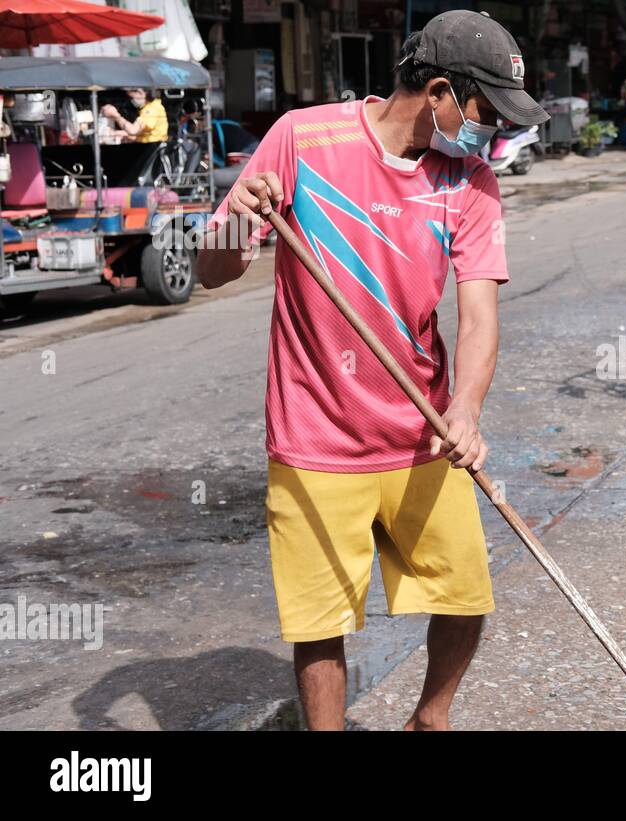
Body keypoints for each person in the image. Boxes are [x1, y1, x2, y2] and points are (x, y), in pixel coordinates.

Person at [195, 10, 547, 731]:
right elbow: (211, 269)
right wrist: (241, 219)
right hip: (315, 437)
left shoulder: (470, 180)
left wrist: (468, 410)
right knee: (321, 619)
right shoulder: (303, 139)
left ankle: (430, 717)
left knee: (466, 594)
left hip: (422, 432)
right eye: (488, 114)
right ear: (441, 92)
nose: (496, 135)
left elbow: (478, 315)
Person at [100, 88, 168, 143]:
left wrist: (116, 115)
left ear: (141, 93)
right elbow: (140, 134)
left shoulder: (151, 110)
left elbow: (133, 131)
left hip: (153, 149)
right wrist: (116, 133)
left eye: (132, 98)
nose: (131, 101)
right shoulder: (148, 107)